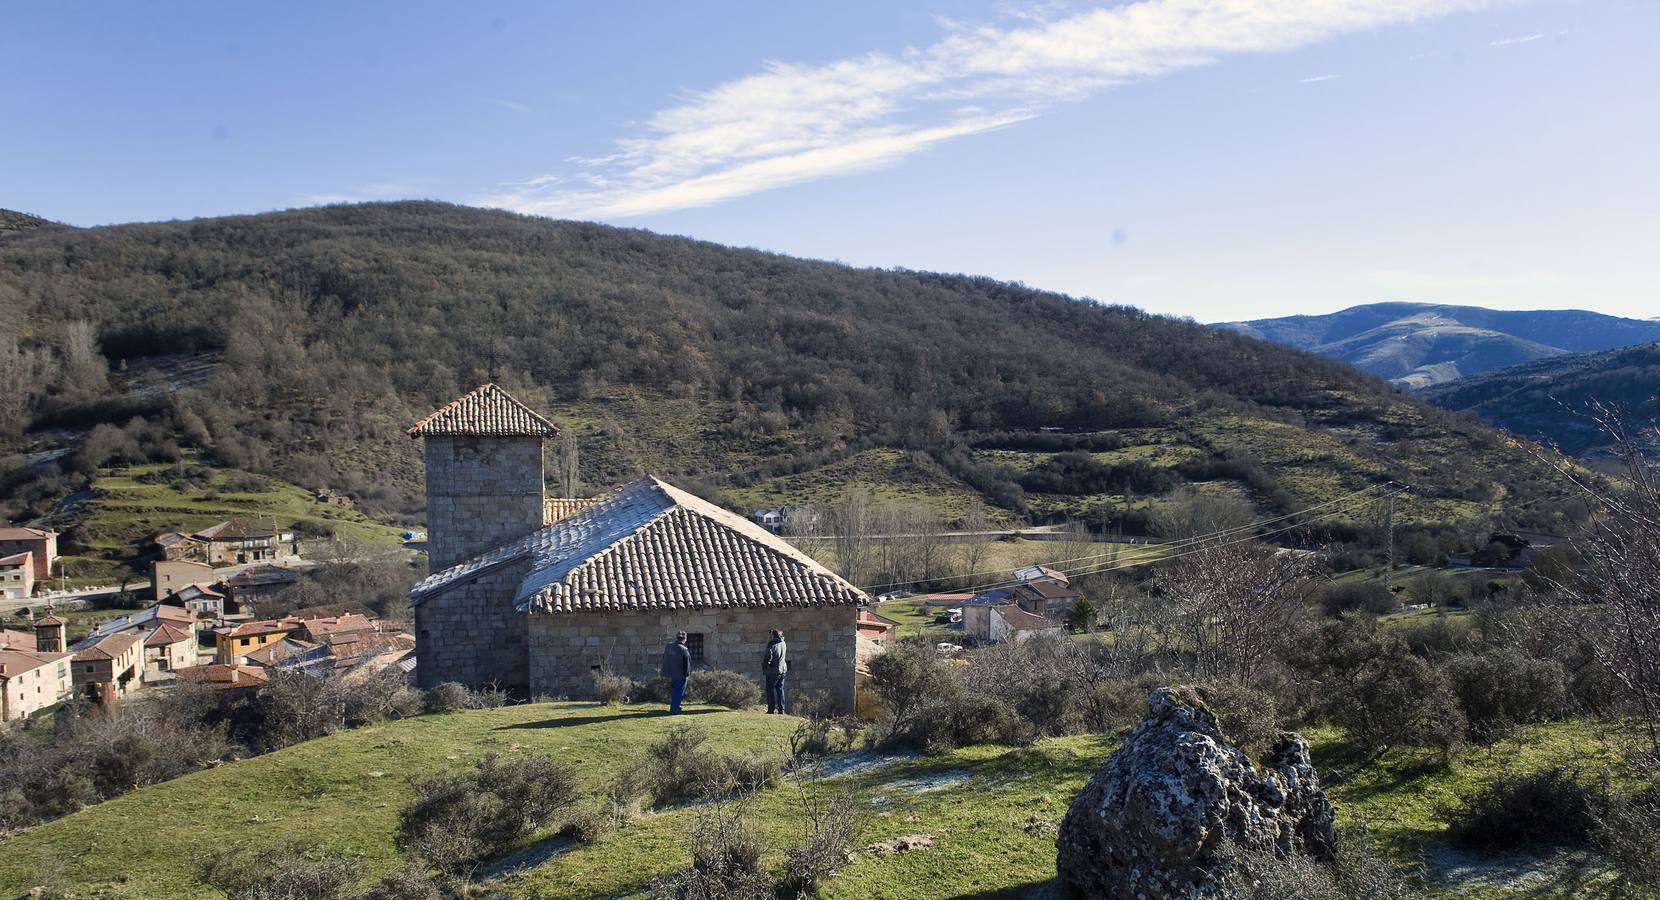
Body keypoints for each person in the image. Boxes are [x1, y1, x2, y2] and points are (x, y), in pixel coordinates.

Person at [661, 631, 691, 714]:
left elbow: (664, 657)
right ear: (685, 639)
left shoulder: (668, 646)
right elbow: (686, 663)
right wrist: (687, 674)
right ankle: (674, 709)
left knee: (675, 691)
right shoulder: (684, 649)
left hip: (671, 673)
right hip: (680, 674)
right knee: (678, 692)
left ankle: (675, 706)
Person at [763, 628, 788, 715]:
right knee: (780, 689)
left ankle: (771, 709)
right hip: (783, 670)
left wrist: (765, 667)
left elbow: (768, 658)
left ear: (773, 636)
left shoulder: (771, 645)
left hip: (773, 671)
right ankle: (782, 710)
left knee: (770, 689)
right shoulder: (783, 643)